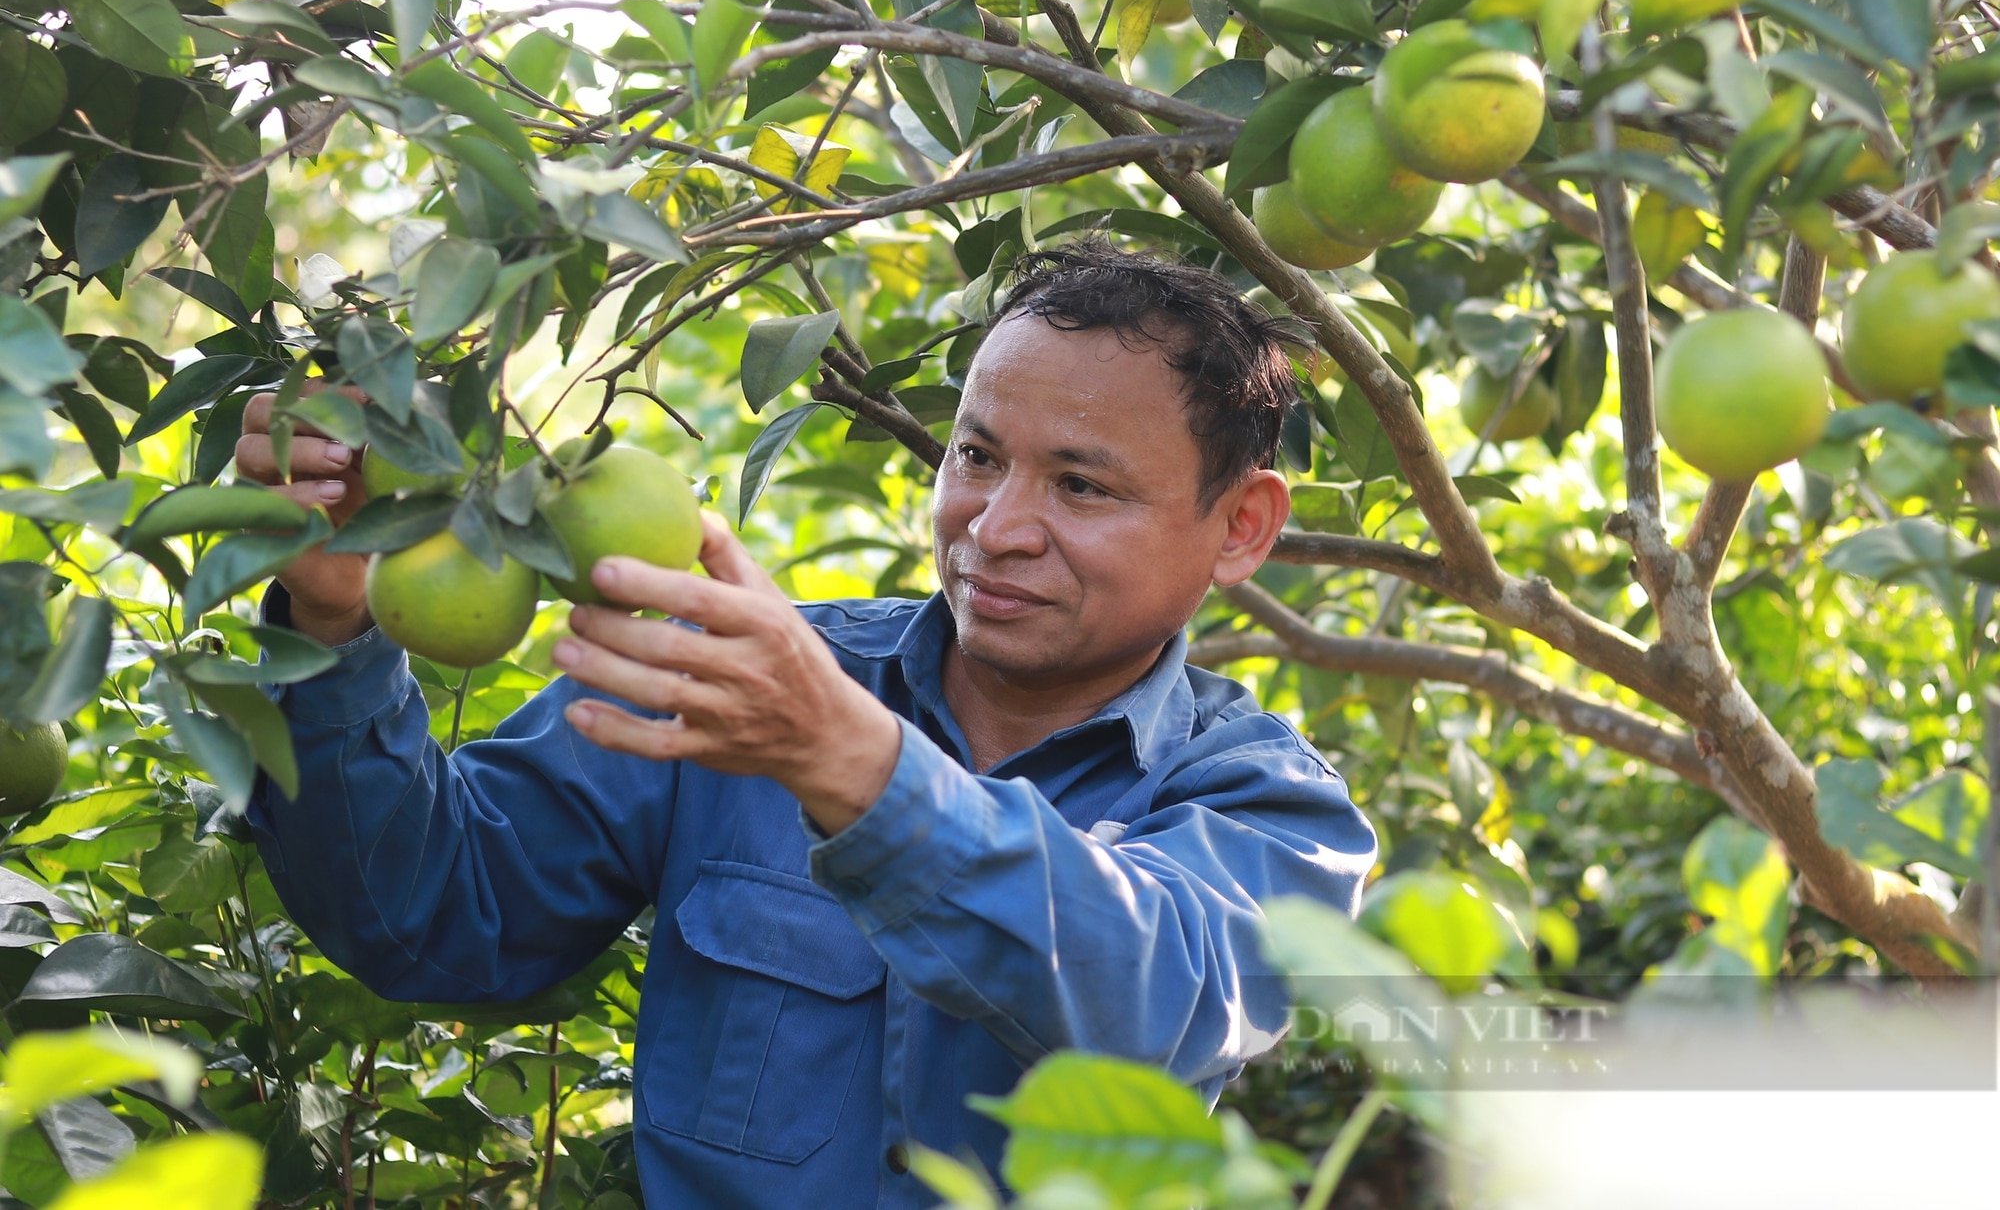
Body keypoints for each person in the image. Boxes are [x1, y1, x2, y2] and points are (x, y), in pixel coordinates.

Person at [237, 241, 1378, 1207]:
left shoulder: (1269, 808)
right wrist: (330, 624)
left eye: (1081, 485)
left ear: (1237, 527)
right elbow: (428, 914)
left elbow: (1150, 1000)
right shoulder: (757, 674)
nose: (998, 527)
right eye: (976, 456)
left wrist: (848, 759)